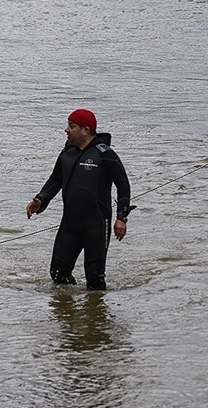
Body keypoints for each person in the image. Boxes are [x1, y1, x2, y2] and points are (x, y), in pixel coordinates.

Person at [25, 109, 132, 290]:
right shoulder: (67, 153)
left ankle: (96, 316)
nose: (66, 130)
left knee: (95, 279)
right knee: (58, 274)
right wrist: (41, 200)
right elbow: (55, 180)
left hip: (97, 224)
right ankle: (70, 313)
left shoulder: (105, 154)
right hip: (70, 223)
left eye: (71, 126)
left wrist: (121, 218)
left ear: (85, 130)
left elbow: (123, 185)